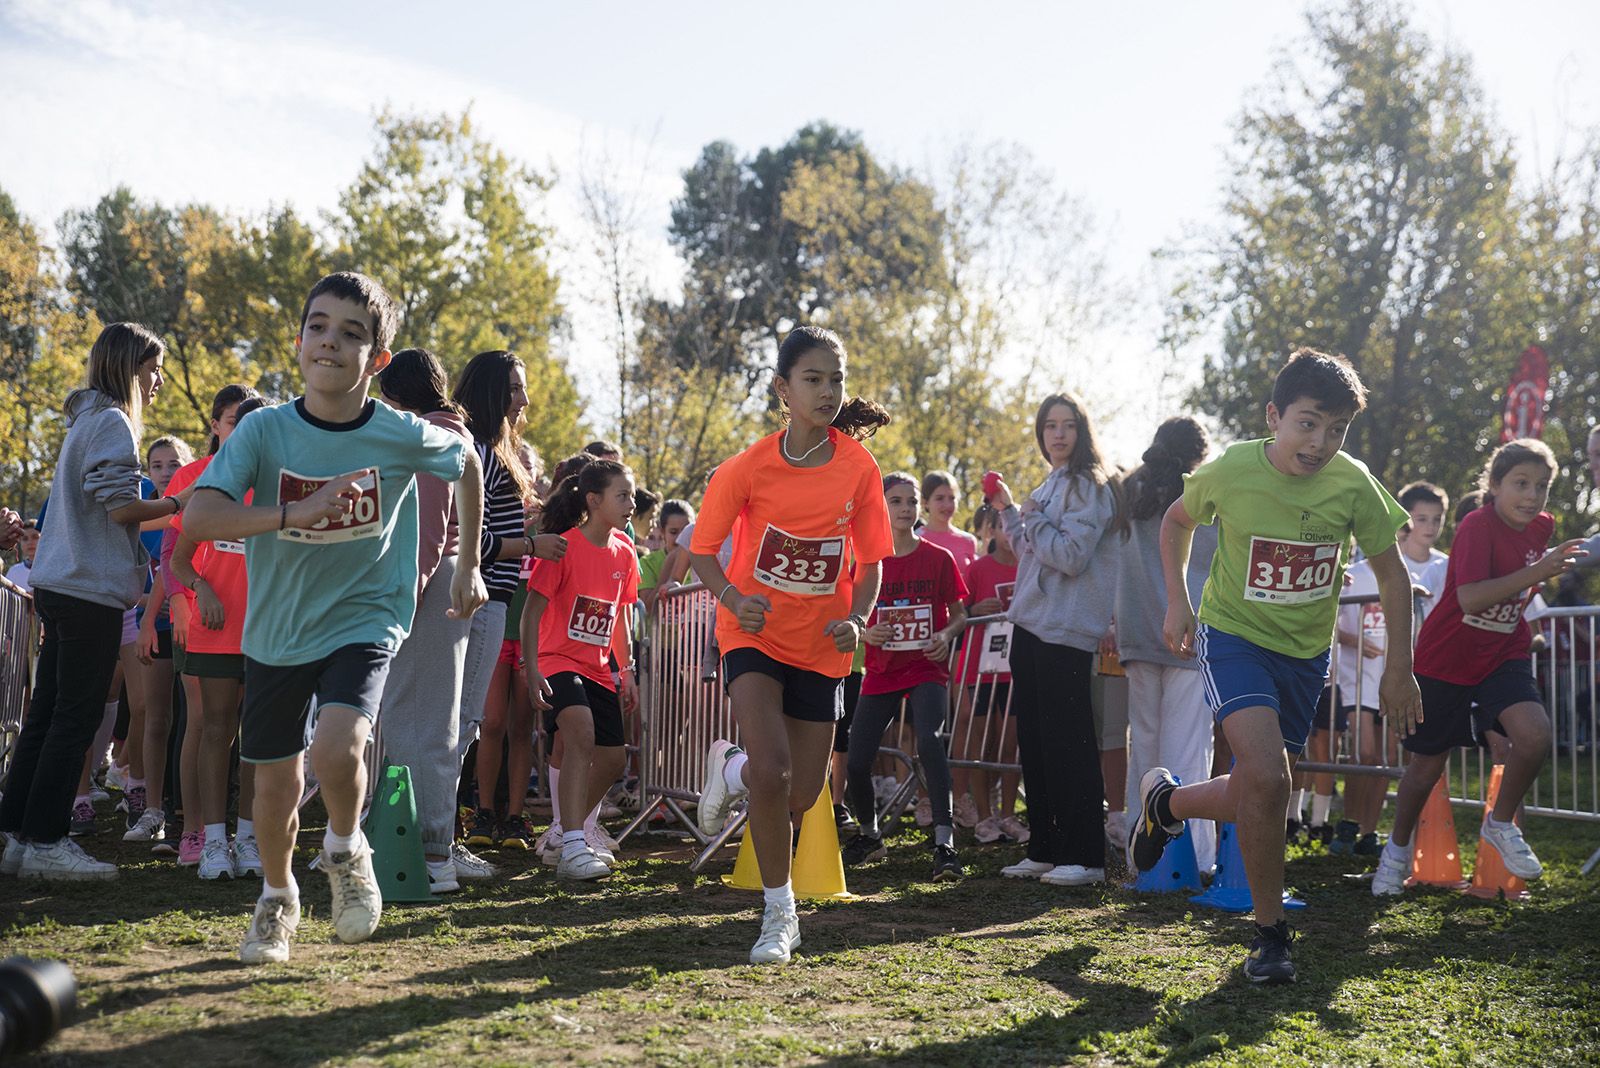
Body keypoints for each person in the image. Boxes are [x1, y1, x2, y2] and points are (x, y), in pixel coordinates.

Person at [184, 271, 488, 964]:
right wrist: (292, 512)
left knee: (340, 742)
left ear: (377, 359)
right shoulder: (264, 431)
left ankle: (348, 851)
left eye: (351, 334)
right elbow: (200, 517)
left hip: (367, 614)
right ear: (298, 341)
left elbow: (466, 460)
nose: (330, 342)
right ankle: (277, 897)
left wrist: (467, 563)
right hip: (280, 626)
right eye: (318, 326)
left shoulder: (399, 432)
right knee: (275, 781)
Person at [1133, 348, 1420, 985]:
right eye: (1308, 422)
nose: (1320, 442)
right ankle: (1270, 937)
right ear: (1275, 417)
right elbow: (1176, 524)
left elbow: (1393, 576)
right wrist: (1179, 603)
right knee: (1267, 775)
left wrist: (1400, 667)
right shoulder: (1233, 468)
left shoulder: (1353, 483)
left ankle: (1169, 804)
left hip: (1304, 654)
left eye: (1337, 428)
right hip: (1234, 637)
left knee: (1260, 788)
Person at [690, 325, 893, 965]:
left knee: (801, 792)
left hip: (821, 645)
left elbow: (871, 563)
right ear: (783, 388)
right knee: (774, 773)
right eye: (814, 378)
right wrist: (732, 600)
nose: (828, 390)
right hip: (752, 635)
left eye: (837, 379)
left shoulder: (860, 469)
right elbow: (701, 552)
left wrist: (858, 620)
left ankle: (729, 768)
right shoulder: (747, 468)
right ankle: (780, 914)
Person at [0, 322, 177, 880]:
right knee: (74, 719)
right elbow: (122, 508)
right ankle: (47, 840)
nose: (159, 382)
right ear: (129, 369)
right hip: (87, 593)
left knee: (47, 714)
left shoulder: (86, 420)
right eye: (152, 371)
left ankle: (16, 834)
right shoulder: (112, 423)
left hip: (60, 587)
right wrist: (180, 501)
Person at [1372, 439, 1585, 897]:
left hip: (1503, 652)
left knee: (1534, 735)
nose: (1531, 496)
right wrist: (1540, 571)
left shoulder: (1542, 527)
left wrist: (1539, 570)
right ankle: (1395, 850)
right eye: (1520, 484)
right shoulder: (1475, 525)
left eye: (1541, 486)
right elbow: (1470, 597)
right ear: (1494, 485)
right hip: (1447, 658)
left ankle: (1500, 823)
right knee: (1426, 767)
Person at [371, 349, 496, 893]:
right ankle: (420, 845)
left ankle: (430, 850)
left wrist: (405, 595)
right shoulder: (454, 434)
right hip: (443, 578)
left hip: (424, 581)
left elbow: (424, 526)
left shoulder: (431, 438)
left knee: (418, 720)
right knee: (428, 718)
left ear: (397, 398)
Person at [988, 392, 1118, 888]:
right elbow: (1031, 551)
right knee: (1036, 743)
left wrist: (1033, 516)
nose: (1058, 435)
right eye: (1049, 427)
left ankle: (1085, 855)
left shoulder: (1090, 485)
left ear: (1082, 431)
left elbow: (1070, 556)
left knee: (1070, 742)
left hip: (1066, 629)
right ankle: (1044, 847)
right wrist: (1010, 513)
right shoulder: (1049, 484)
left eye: (1067, 425)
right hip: (1031, 625)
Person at [454, 350, 560, 852]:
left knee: (469, 722)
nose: (525, 399)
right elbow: (469, 539)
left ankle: (445, 834)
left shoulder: (493, 452)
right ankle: (443, 838)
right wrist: (532, 546)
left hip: (492, 600)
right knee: (466, 723)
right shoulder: (477, 450)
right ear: (494, 393)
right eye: (516, 388)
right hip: (478, 601)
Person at [841, 472, 968, 879]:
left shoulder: (938, 558)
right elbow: (848, 612)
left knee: (930, 742)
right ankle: (869, 834)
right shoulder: (865, 562)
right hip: (881, 669)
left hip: (925, 666)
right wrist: (865, 628)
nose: (905, 509)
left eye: (911, 502)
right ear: (881, 507)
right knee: (858, 761)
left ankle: (945, 843)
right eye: (895, 501)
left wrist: (947, 635)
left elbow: (960, 613)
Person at [522, 459, 641, 880]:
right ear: (594, 500)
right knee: (581, 735)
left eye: (632, 495)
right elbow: (531, 612)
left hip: (598, 668)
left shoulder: (625, 552)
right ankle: (575, 843)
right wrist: (531, 667)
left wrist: (625, 671)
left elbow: (620, 617)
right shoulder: (562, 547)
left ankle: (562, 831)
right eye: (622, 495)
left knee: (611, 760)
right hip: (556, 661)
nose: (632, 503)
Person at [1110, 417, 1219, 874]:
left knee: (1146, 749)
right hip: (1188, 632)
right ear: (1199, 454)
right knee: (1188, 750)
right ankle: (1194, 855)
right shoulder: (1204, 491)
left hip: (1137, 631)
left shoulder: (1130, 491)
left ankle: (1143, 858)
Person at [170, 396, 270, 880]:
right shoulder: (212, 486)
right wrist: (200, 588)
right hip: (216, 630)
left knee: (257, 738)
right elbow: (179, 560)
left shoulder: (283, 488)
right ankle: (213, 841)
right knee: (216, 731)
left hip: (270, 631)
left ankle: (249, 839)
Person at [956, 504, 1025, 844]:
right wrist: (972, 610)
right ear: (993, 531)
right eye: (1004, 526)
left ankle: (1008, 814)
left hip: (1018, 670)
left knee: (1011, 745)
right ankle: (984, 818)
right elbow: (954, 613)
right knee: (982, 745)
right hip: (981, 670)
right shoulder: (978, 568)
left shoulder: (1031, 566)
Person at [919, 471, 979, 580]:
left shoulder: (968, 540)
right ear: (925, 502)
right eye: (939, 498)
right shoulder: (916, 539)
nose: (947, 505)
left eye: (952, 498)